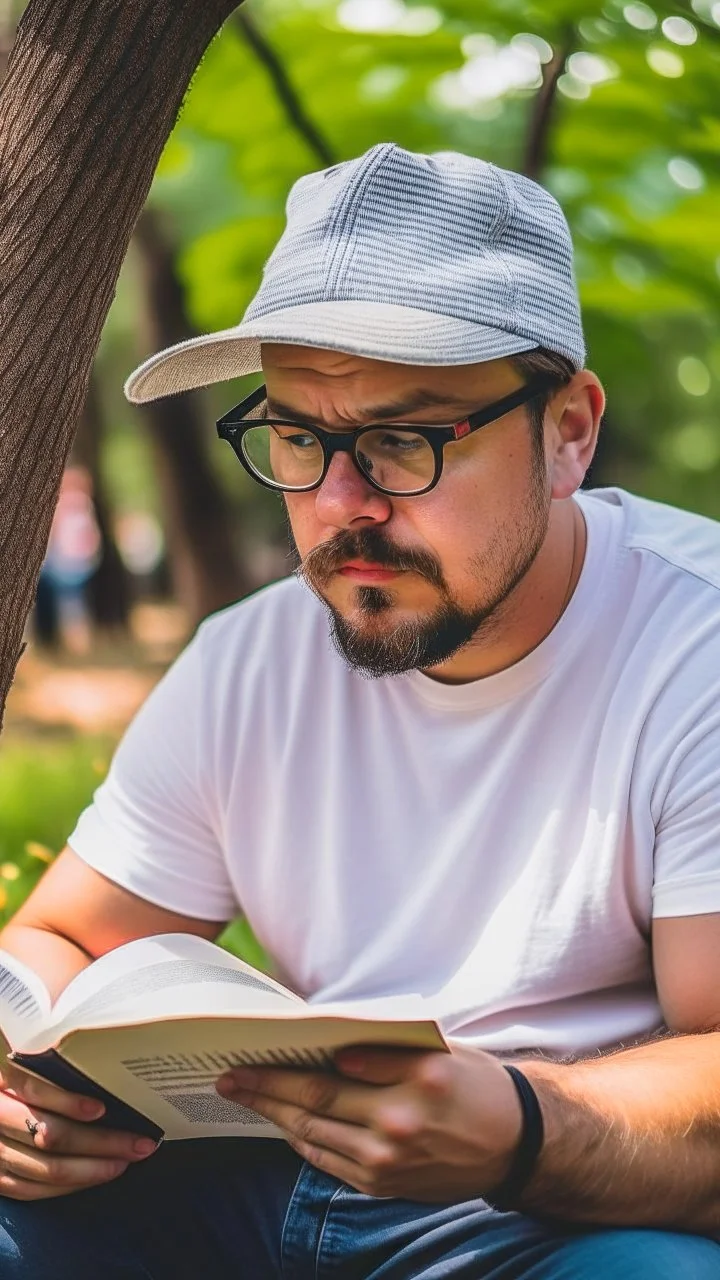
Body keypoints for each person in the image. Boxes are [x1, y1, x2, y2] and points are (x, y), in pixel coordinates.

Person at [1, 144, 719, 1278]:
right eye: (297, 436)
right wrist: (19, 1078)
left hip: (556, 1216)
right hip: (253, 1178)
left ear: (569, 430)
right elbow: (60, 937)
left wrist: (525, 1127)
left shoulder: (697, 646)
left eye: (404, 439)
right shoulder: (251, 655)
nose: (341, 506)